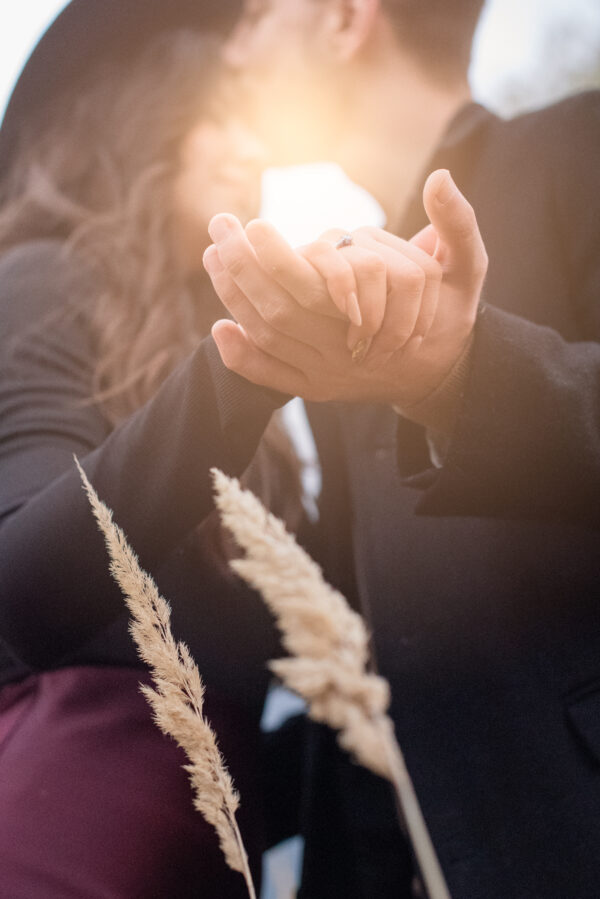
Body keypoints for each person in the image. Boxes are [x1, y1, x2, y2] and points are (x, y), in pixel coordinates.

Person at [198, 1, 600, 896]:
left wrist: (460, 375)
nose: (236, 43)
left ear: (345, 19)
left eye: (260, 11)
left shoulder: (581, 146)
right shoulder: (342, 302)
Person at [0, 1, 307, 895]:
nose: (255, 148)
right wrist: (239, 382)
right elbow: (24, 573)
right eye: (223, 113)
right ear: (143, 118)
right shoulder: (48, 277)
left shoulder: (202, 348)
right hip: (66, 817)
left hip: (204, 842)